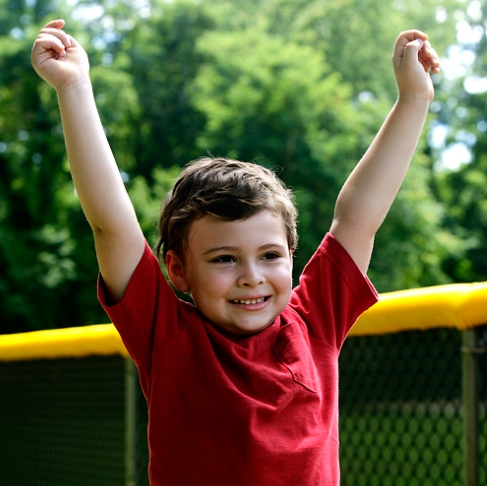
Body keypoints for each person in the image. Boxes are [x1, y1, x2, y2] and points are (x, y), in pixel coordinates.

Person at [32, 18, 439, 485]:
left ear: (291, 255)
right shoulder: (166, 336)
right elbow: (112, 225)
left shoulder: (316, 321)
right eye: (224, 258)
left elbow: (358, 217)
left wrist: (414, 100)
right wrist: (74, 86)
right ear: (178, 269)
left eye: (270, 255)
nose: (251, 276)